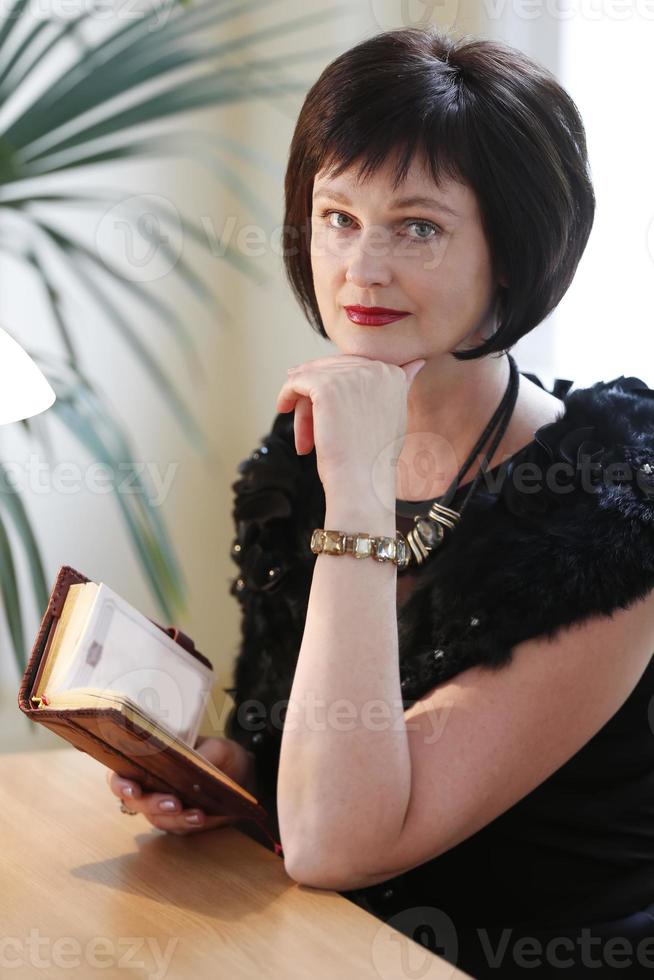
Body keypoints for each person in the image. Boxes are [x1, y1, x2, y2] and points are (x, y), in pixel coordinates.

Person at [106, 27, 654, 978]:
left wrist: (357, 490)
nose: (361, 269)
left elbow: (341, 844)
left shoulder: (616, 499)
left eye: (418, 227)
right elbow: (307, 777)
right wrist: (228, 778)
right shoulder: (298, 458)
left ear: (516, 252)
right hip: (321, 951)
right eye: (337, 217)